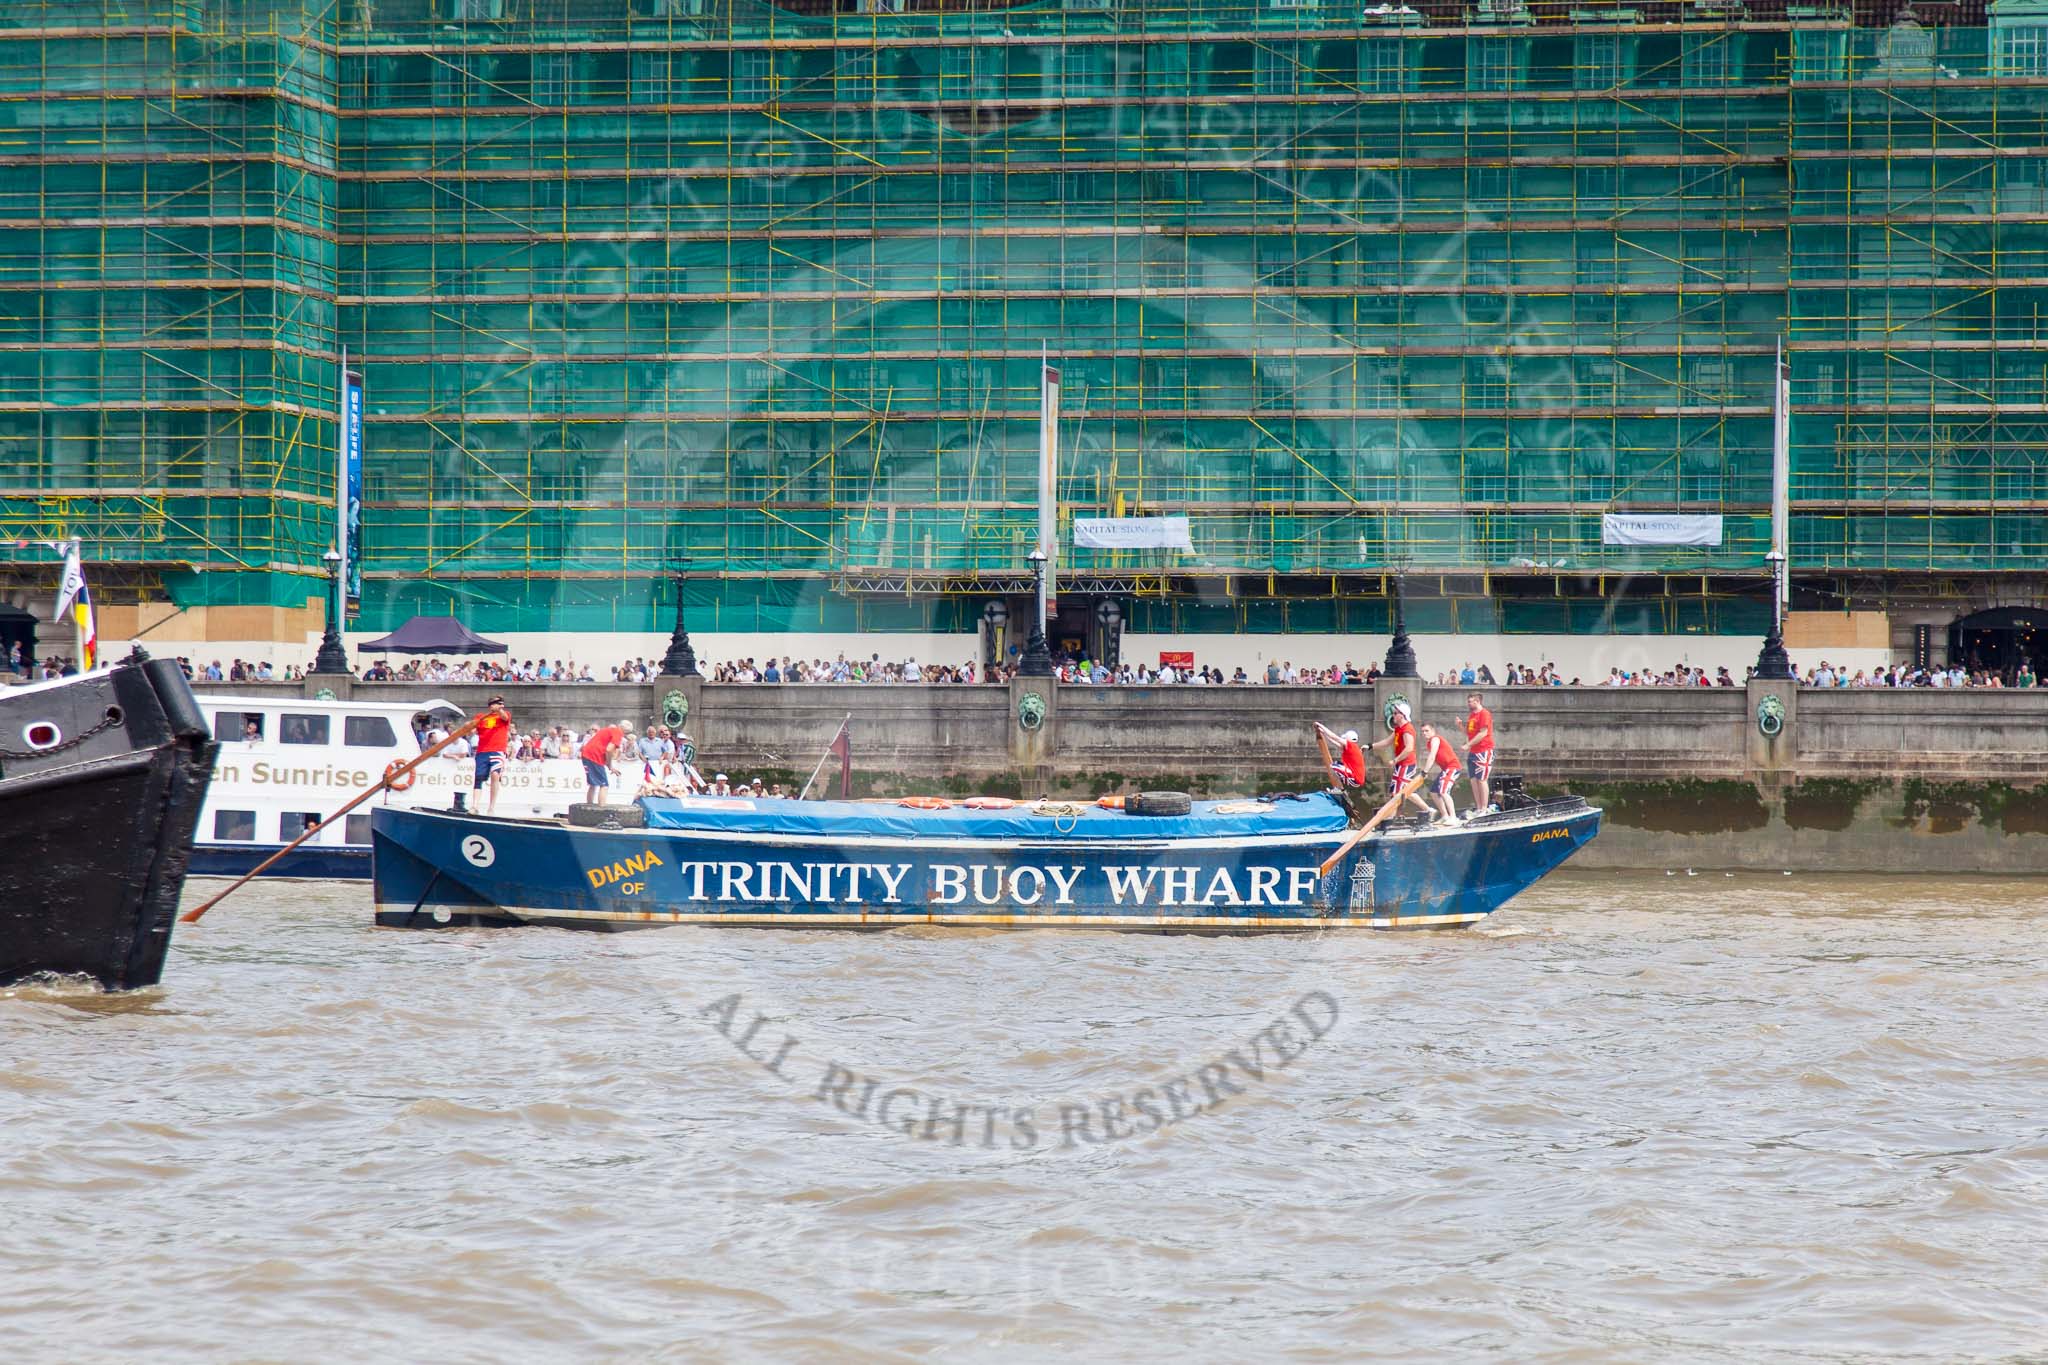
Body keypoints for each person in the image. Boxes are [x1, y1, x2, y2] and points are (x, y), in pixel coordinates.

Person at [1369, 700, 1432, 816]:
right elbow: (1386, 742)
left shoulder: (1407, 729)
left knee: (1396, 792)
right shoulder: (1398, 729)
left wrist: (1395, 760)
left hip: (1406, 765)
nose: (1392, 715)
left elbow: (1409, 748)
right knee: (1404, 791)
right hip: (1401, 765)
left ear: (1402, 715)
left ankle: (1391, 819)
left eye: (1395, 713)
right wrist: (1370, 746)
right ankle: (1428, 810)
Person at [472, 694, 512, 815]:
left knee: (495, 774)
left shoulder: (505, 715)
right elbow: (473, 730)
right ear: (491, 705)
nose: (500, 706)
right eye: (497, 704)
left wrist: (499, 710)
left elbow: (504, 717)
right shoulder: (481, 717)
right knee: (478, 778)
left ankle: (491, 807)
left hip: (497, 749)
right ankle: (474, 806)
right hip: (482, 750)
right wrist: (470, 727)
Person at [1418, 722, 1462, 824]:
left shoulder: (1435, 739)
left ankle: (1453, 817)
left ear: (1433, 731)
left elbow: (1432, 756)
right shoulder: (1429, 743)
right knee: (1433, 792)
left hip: (1452, 767)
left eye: (1427, 731)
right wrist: (1426, 771)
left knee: (1443, 791)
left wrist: (1425, 771)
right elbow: (1435, 759)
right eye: (1423, 732)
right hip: (1446, 769)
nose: (1424, 733)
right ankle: (1445, 816)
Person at [580, 719, 631, 806]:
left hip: (586, 754)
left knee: (593, 783)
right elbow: (609, 749)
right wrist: (609, 764)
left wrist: (610, 766)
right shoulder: (618, 733)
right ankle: (601, 807)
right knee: (604, 784)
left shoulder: (607, 729)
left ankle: (588, 807)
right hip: (594, 756)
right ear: (625, 731)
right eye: (626, 734)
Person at [1463, 691, 1495, 814]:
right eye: (1468, 701)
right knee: (1473, 780)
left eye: (1471, 701)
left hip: (1484, 750)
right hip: (1473, 751)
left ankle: (1484, 808)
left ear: (1478, 701)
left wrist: (1468, 745)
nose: (1469, 703)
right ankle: (1478, 807)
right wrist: (1460, 726)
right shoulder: (1472, 715)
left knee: (1482, 779)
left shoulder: (1484, 714)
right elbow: (1469, 732)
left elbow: (1483, 733)